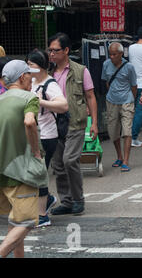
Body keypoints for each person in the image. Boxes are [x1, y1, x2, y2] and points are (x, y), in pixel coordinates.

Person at [48, 32, 98, 216]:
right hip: (54, 123)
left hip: (75, 122)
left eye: (56, 50)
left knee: (70, 160)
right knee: (58, 164)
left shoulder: (80, 70)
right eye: (50, 50)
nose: (52, 54)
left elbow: (91, 96)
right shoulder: (49, 73)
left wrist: (94, 123)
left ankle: (78, 199)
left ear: (66, 50)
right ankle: (66, 201)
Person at [0, 60, 45, 257]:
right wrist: (36, 151)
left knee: (14, 222)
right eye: (29, 75)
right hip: (19, 171)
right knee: (26, 221)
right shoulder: (29, 97)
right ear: (21, 77)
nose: (32, 78)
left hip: (1, 173)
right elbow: (29, 122)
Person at [27, 49, 68, 227]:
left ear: (42, 67)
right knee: (34, 173)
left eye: (31, 65)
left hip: (47, 135)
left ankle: (42, 215)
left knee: (40, 173)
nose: (28, 68)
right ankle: (48, 198)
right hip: (33, 134)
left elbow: (63, 105)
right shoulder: (31, 81)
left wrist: (41, 101)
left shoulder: (50, 84)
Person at [101, 42, 137, 172]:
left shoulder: (129, 67)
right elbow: (107, 82)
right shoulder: (105, 65)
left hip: (127, 101)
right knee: (113, 131)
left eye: (114, 54)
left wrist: (131, 99)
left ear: (121, 54)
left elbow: (133, 86)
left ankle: (126, 160)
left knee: (127, 130)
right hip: (111, 101)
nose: (111, 57)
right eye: (110, 54)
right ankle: (119, 156)